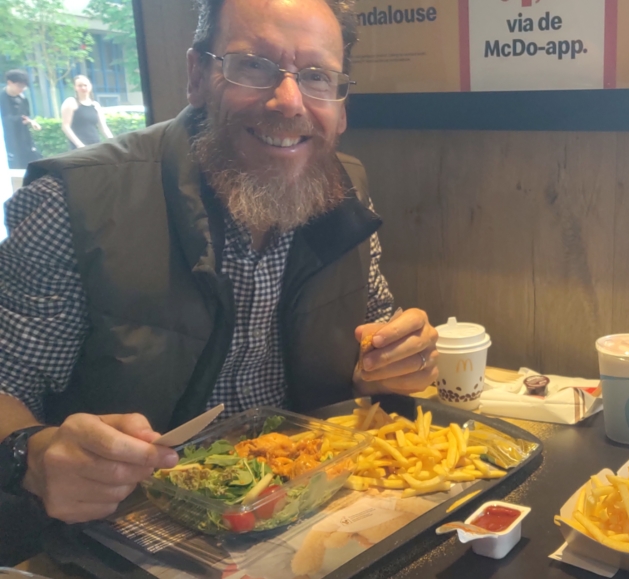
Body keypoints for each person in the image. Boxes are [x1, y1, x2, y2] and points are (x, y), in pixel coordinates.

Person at [0, 0, 439, 562]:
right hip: (122, 542)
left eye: (316, 77)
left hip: (312, 519)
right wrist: (32, 456)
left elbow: (376, 337)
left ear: (340, 103)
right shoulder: (75, 202)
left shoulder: (343, 189)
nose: (289, 102)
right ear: (197, 76)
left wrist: (394, 358)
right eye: (253, 65)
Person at [1, 69, 42, 169]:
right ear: (9, 83)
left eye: (24, 86)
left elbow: (26, 116)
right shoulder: (2, 98)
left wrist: (31, 122)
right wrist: (19, 119)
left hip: (23, 139)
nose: (22, 89)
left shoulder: (23, 99)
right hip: (6, 141)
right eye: (19, 86)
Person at [60, 74, 114, 148]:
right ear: (75, 87)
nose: (83, 88)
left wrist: (113, 142)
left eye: (85, 85)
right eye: (80, 86)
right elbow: (65, 126)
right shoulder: (70, 102)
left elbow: (103, 127)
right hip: (79, 148)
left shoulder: (95, 105)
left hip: (96, 144)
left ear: (90, 86)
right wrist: (79, 145)